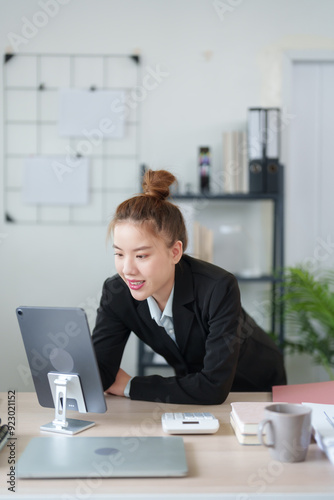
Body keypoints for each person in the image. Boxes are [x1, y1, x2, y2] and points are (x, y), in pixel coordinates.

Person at [92, 169, 286, 405]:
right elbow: (101, 371)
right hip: (193, 390)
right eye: (119, 254)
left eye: (141, 256)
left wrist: (131, 385)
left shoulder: (218, 288)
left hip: (254, 387)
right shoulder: (117, 294)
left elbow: (213, 387)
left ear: (175, 252)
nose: (127, 269)